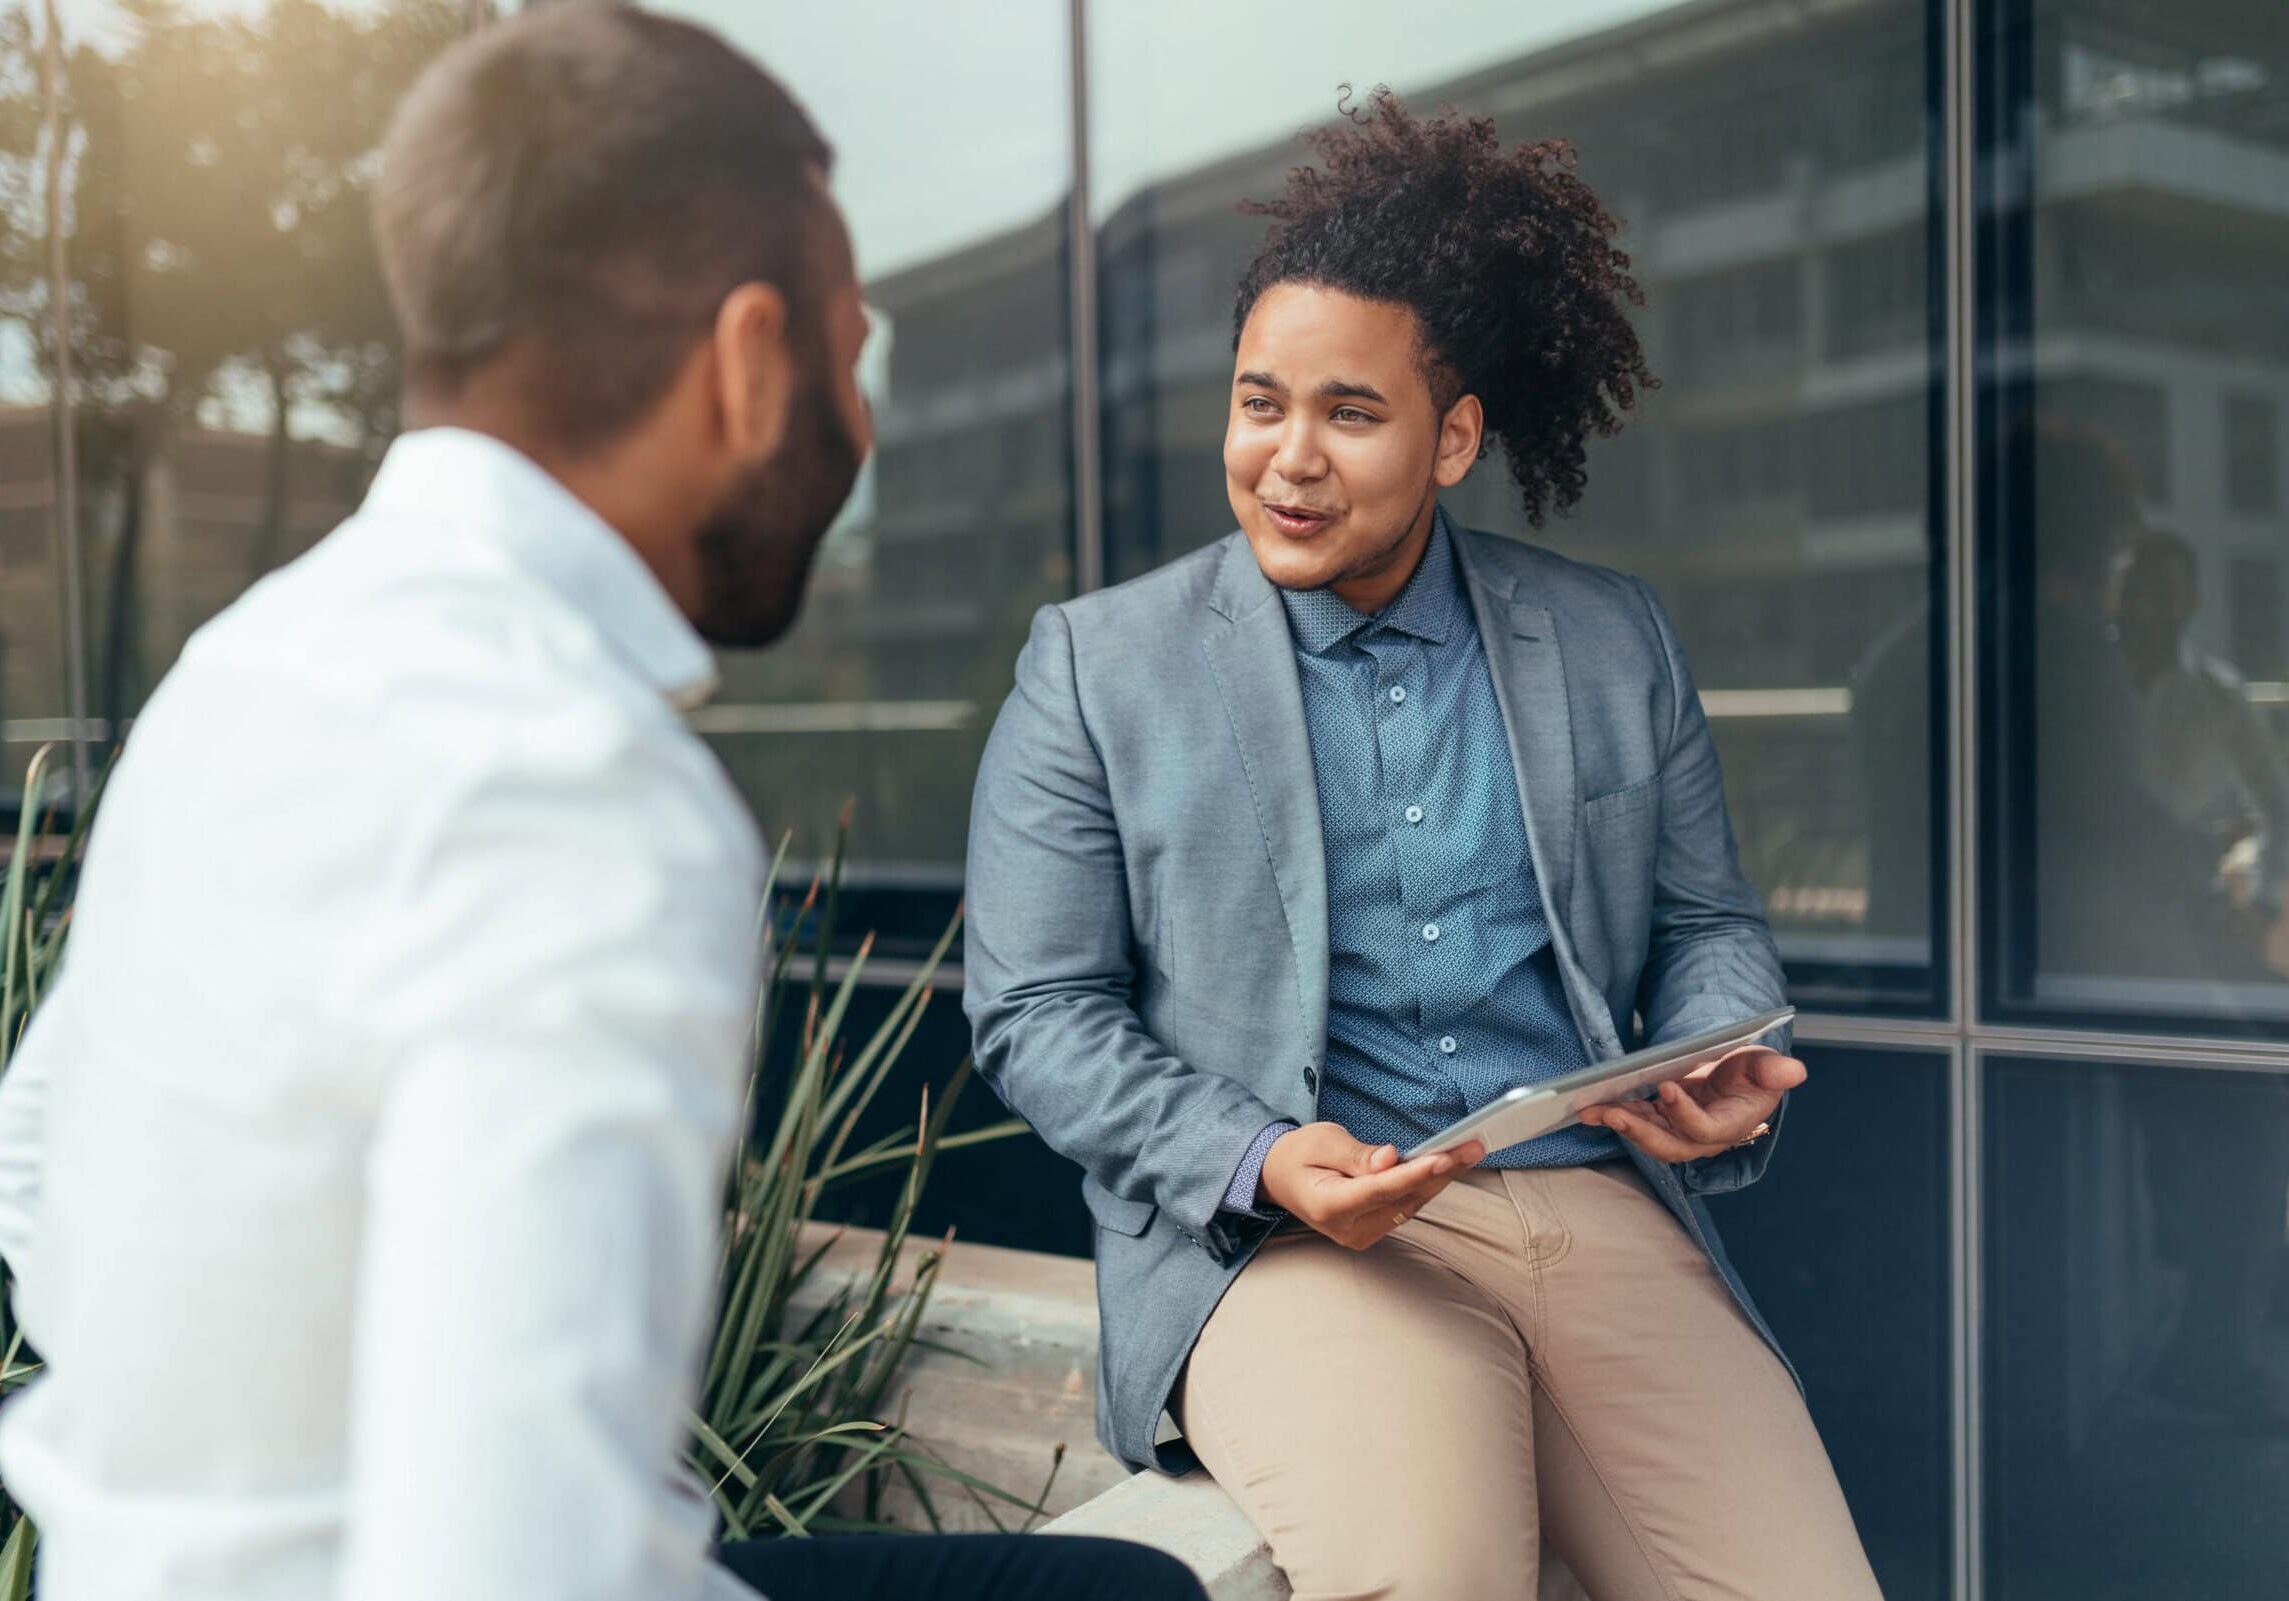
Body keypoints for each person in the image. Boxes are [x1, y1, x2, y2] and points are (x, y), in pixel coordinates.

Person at [0, 10, 1202, 1601]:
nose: (861, 422)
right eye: (853, 358)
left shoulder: (251, 661)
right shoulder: (575, 798)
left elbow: (34, 1158)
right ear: (748, 359)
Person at [964, 90, 1878, 1601]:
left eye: (1349, 411)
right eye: (1260, 403)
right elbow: (1033, 1013)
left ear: (1453, 437)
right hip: (1288, 1237)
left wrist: (1713, 1043)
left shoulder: (1606, 635)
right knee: (1434, 1576)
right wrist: (1257, 1157)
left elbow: (1707, 923)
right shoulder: (1094, 665)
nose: (1287, 458)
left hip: (1586, 1198)